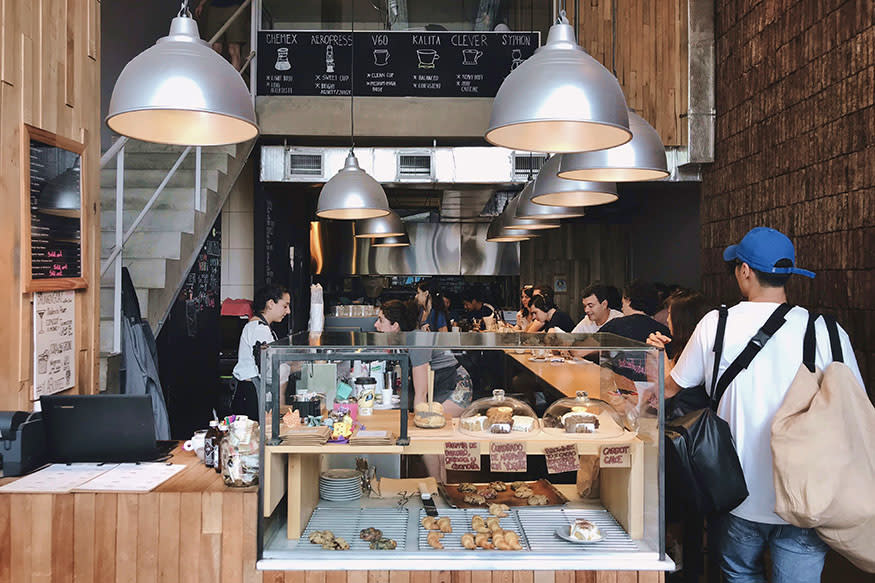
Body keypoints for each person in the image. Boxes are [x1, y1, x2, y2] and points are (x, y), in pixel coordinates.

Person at [665, 227, 865, 583]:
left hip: (736, 493)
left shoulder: (717, 324)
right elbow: (854, 405)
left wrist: (660, 361)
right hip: (808, 495)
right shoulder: (828, 331)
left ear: (744, 271)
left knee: (739, 573)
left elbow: (670, 388)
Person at [374, 300, 472, 416]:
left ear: (395, 326)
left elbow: (421, 393)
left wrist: (419, 420)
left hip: (455, 386)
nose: (375, 324)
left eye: (381, 320)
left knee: (432, 419)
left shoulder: (417, 341)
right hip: (436, 384)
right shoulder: (402, 340)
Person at [231, 284, 291, 420]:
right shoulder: (259, 329)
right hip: (250, 392)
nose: (288, 311)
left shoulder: (261, 328)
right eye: (285, 306)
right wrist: (290, 368)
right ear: (270, 304)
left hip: (251, 390)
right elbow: (267, 370)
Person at [194, 0, 248, 71]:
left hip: (235, 6)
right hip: (215, 7)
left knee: (233, 49)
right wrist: (201, 3)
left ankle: (234, 80)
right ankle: (216, 78)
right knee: (215, 49)